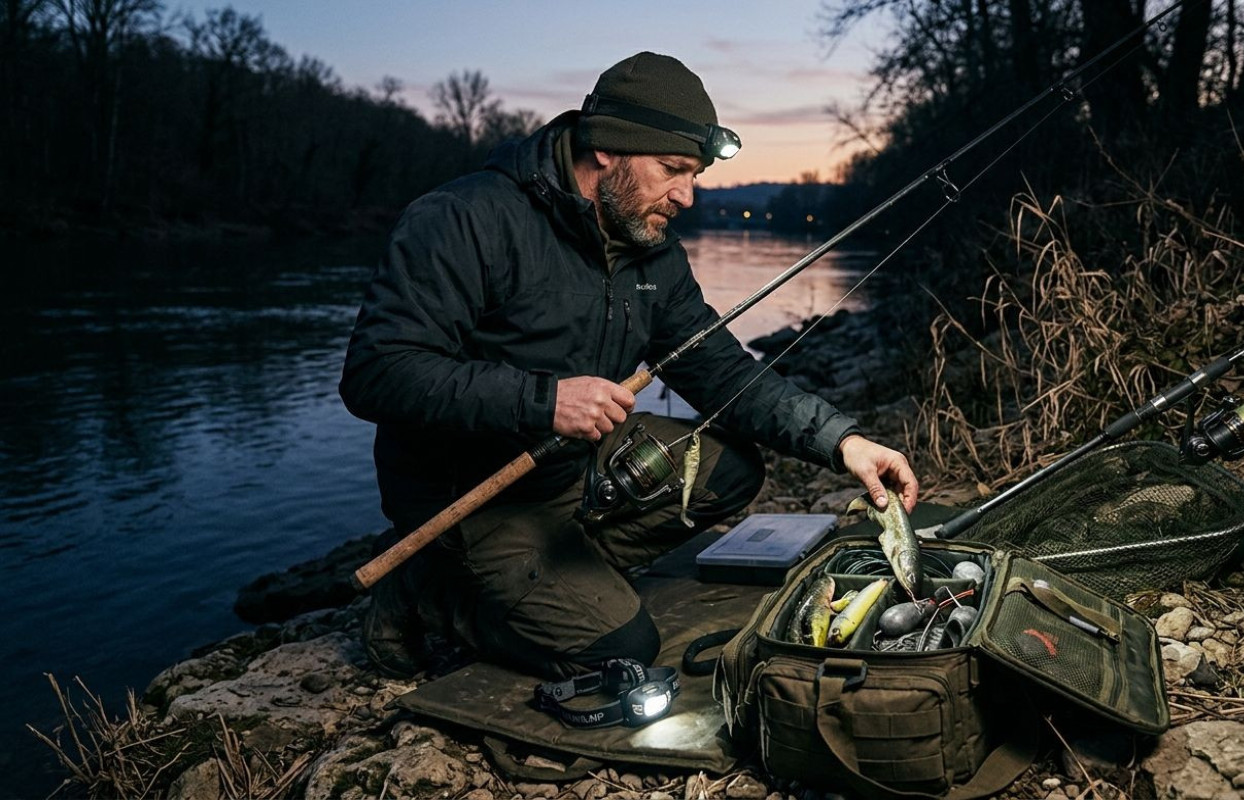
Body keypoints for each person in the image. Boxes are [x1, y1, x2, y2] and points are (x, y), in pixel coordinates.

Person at [340, 51, 918, 681]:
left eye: (693, 175)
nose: (687, 196)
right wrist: (545, 400)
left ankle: (555, 572)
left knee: (732, 470)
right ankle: (429, 585)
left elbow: (723, 372)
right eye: (672, 170)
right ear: (607, 150)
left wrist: (846, 443)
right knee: (622, 648)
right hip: (470, 493)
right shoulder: (462, 219)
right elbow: (377, 371)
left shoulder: (652, 250)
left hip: (570, 469)